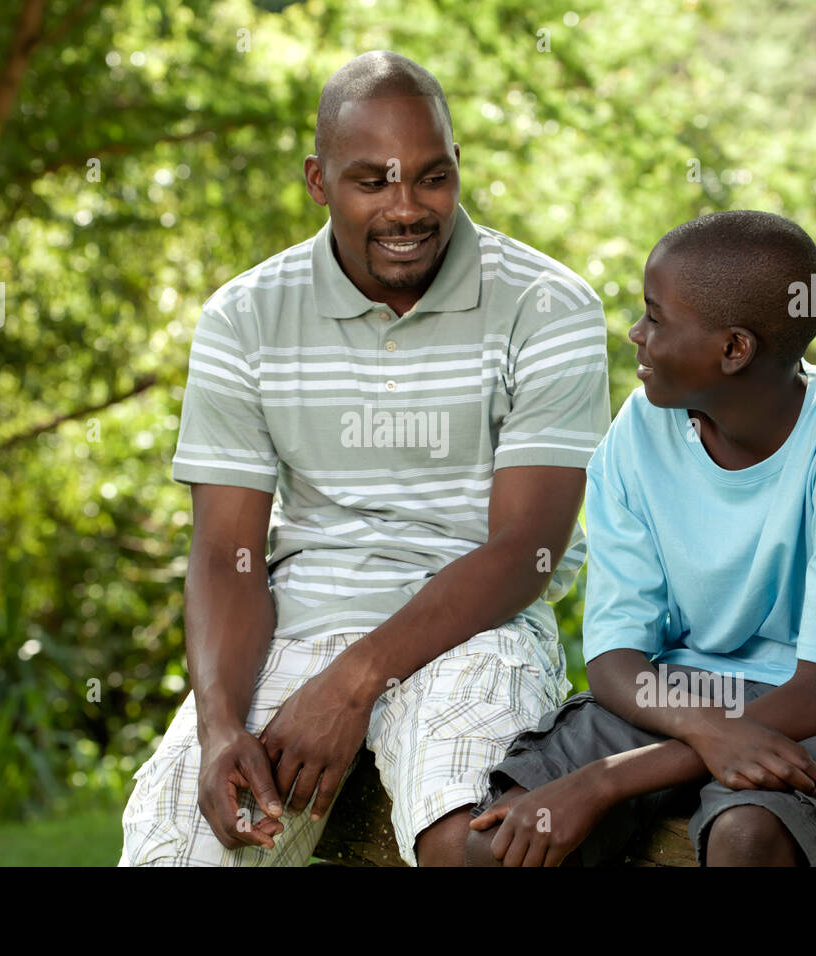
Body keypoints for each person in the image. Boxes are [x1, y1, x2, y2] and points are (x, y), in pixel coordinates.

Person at [118, 51, 611, 866]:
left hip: (474, 630)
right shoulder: (245, 316)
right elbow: (222, 553)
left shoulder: (547, 304)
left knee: (473, 848)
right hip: (296, 628)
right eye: (372, 182)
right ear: (318, 181)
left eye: (432, 177)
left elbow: (526, 551)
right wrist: (219, 731)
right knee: (177, 853)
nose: (408, 208)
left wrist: (353, 685)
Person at [465, 209, 816, 867]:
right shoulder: (640, 431)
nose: (635, 334)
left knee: (748, 834)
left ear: (734, 350)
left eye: (656, 317)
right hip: (685, 695)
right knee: (503, 840)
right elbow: (617, 659)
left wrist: (607, 779)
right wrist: (709, 731)